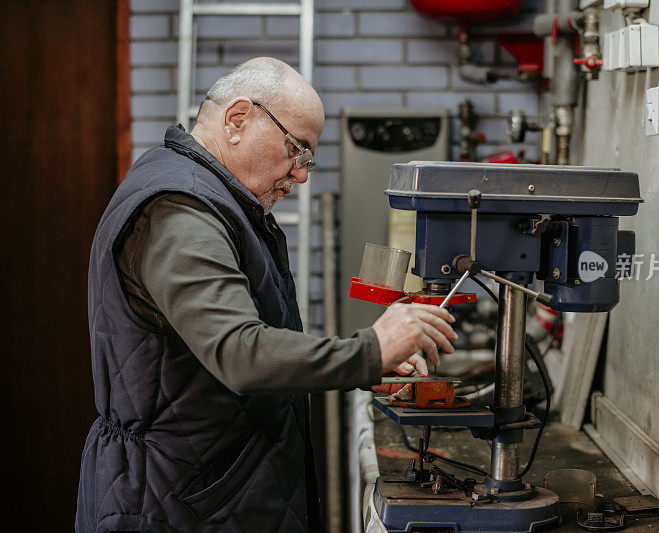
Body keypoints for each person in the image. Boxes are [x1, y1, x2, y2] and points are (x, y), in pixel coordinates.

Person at [76, 57, 457, 532]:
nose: (300, 174)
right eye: (296, 149)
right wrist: (369, 349)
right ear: (238, 119)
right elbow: (241, 353)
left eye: (308, 159)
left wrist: (368, 363)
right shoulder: (180, 214)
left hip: (212, 491)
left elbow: (252, 341)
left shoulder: (216, 200)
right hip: (175, 504)